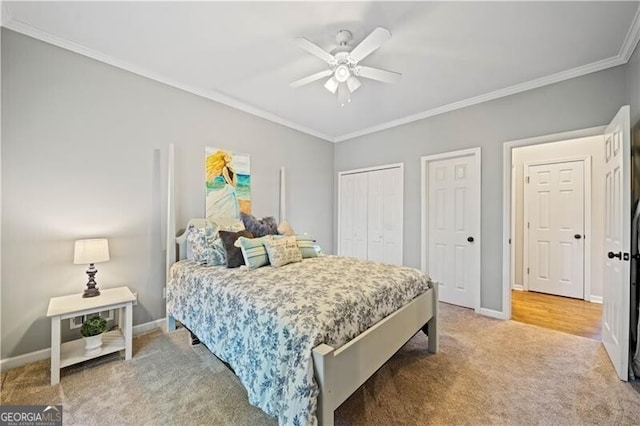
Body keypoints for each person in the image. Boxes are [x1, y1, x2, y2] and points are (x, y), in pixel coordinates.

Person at [206, 150, 239, 219]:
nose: (229, 158)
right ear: (224, 158)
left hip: (231, 188)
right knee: (224, 202)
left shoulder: (231, 169)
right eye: (227, 157)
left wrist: (234, 173)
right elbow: (228, 180)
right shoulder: (224, 169)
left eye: (229, 157)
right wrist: (232, 186)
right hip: (228, 187)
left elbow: (235, 182)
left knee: (231, 204)